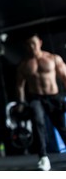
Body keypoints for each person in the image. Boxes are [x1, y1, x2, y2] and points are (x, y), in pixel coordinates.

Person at [16, 33, 66, 171]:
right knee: (38, 123)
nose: (32, 47)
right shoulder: (24, 65)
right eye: (28, 44)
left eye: (34, 43)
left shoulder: (53, 59)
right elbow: (20, 86)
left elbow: (64, 77)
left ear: (40, 42)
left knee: (61, 126)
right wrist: (21, 103)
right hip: (36, 98)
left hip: (54, 97)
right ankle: (43, 157)